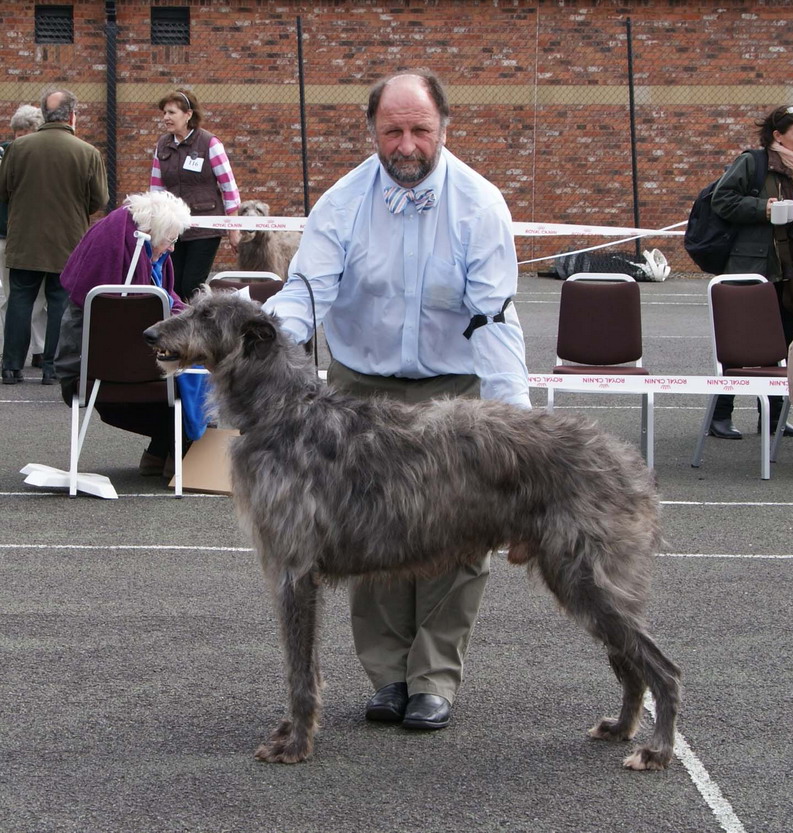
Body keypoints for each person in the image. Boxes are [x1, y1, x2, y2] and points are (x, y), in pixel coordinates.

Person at [263, 70, 531, 731]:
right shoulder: (342, 203)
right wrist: (259, 337)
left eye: (420, 130)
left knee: (461, 535)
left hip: (454, 390)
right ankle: (387, 676)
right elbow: (306, 292)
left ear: (445, 128)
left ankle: (435, 676)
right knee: (367, 534)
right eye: (392, 131)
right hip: (364, 389)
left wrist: (519, 436)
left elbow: (495, 323)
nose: (406, 144)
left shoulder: (480, 205)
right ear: (372, 132)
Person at [55, 191, 193, 478]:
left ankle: (161, 453)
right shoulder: (127, 263)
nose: (171, 249)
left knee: (192, 380)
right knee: (197, 381)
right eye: (170, 240)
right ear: (150, 233)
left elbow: (170, 299)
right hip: (115, 375)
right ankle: (179, 453)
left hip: (97, 371)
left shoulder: (148, 256)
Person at [0, 88, 108, 386]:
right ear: (73, 115)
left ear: (44, 114)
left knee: (20, 300)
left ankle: (11, 367)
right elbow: (98, 199)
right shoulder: (87, 152)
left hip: (24, 239)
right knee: (60, 301)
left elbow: (4, 191)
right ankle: (52, 368)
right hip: (67, 241)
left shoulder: (17, 149)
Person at [709, 104, 793, 439]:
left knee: (784, 347)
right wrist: (765, 208)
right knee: (742, 346)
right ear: (778, 136)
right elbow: (723, 200)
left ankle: (774, 419)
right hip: (753, 269)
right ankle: (720, 415)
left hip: (790, 272)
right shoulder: (754, 162)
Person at [149, 89, 241, 301]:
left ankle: (194, 331)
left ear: (188, 114)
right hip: (173, 229)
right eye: (164, 113)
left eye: (171, 112)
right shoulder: (162, 145)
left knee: (192, 285)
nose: (166, 118)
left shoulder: (210, 143)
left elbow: (229, 187)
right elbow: (156, 190)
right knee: (171, 283)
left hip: (205, 229)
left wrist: (233, 228)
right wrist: (155, 227)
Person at [0, 104, 48, 366]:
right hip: (9, 234)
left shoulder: (40, 155)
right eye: (18, 134)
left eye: (26, 133)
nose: (21, 138)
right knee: (11, 295)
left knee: (39, 297)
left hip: (32, 234)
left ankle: (39, 348)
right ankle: (10, 348)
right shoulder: (6, 154)